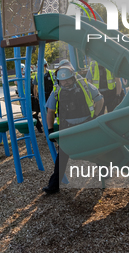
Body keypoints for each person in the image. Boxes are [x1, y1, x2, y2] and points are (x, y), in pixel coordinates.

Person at [42, 64, 104, 194]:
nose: (66, 82)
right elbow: (50, 112)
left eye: (68, 79)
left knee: (96, 150)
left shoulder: (85, 86)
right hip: (67, 129)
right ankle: (54, 186)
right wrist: (50, 130)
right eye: (63, 80)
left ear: (73, 77)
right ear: (59, 80)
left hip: (86, 126)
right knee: (62, 156)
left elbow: (100, 99)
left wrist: (95, 118)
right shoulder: (56, 91)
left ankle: (105, 172)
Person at [31, 59, 57, 133]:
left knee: (52, 112)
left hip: (50, 95)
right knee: (39, 113)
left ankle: (52, 128)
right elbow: (35, 86)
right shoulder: (37, 75)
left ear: (45, 65)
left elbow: (55, 84)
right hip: (42, 96)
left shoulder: (51, 73)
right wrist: (36, 96)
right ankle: (42, 128)